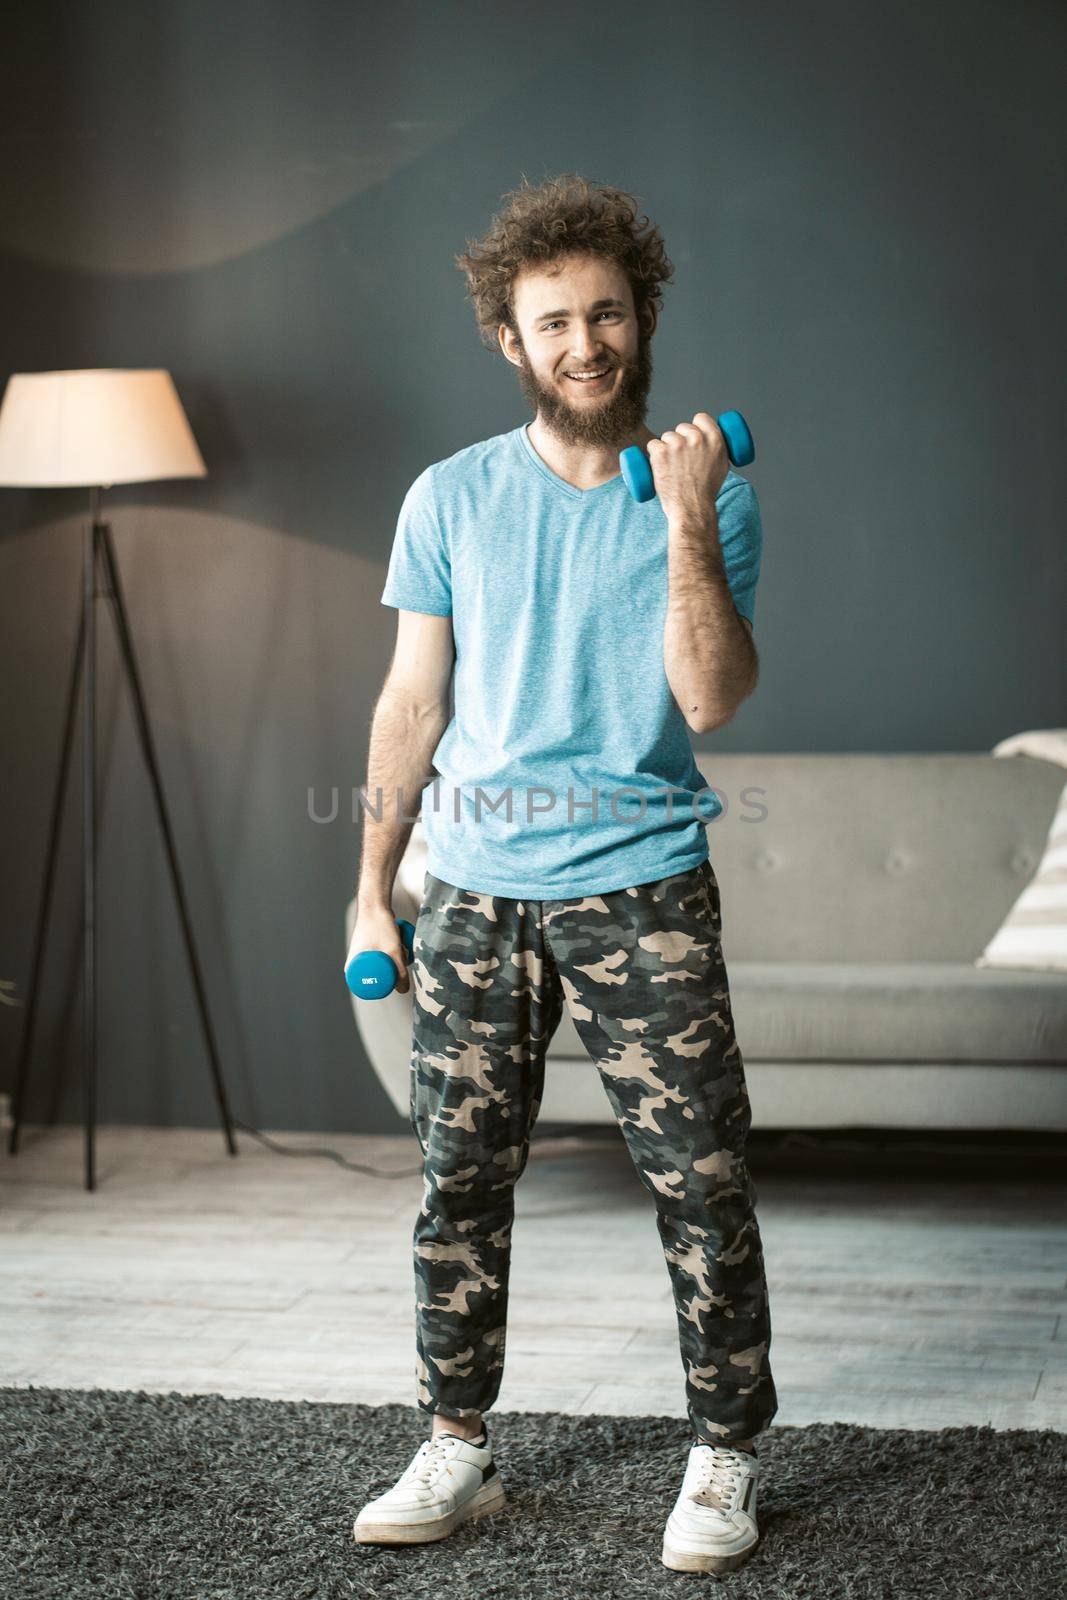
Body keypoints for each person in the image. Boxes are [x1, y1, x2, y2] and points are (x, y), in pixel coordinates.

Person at [349, 173, 777, 1575]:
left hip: (641, 883)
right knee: (456, 1181)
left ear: (643, 317)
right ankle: (456, 1442)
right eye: (553, 322)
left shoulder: (706, 494)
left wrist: (690, 516)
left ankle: (723, 1456)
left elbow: (710, 702)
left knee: (701, 1182)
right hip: (470, 887)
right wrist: (373, 886)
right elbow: (411, 704)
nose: (584, 342)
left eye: (606, 313)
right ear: (510, 340)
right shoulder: (450, 497)